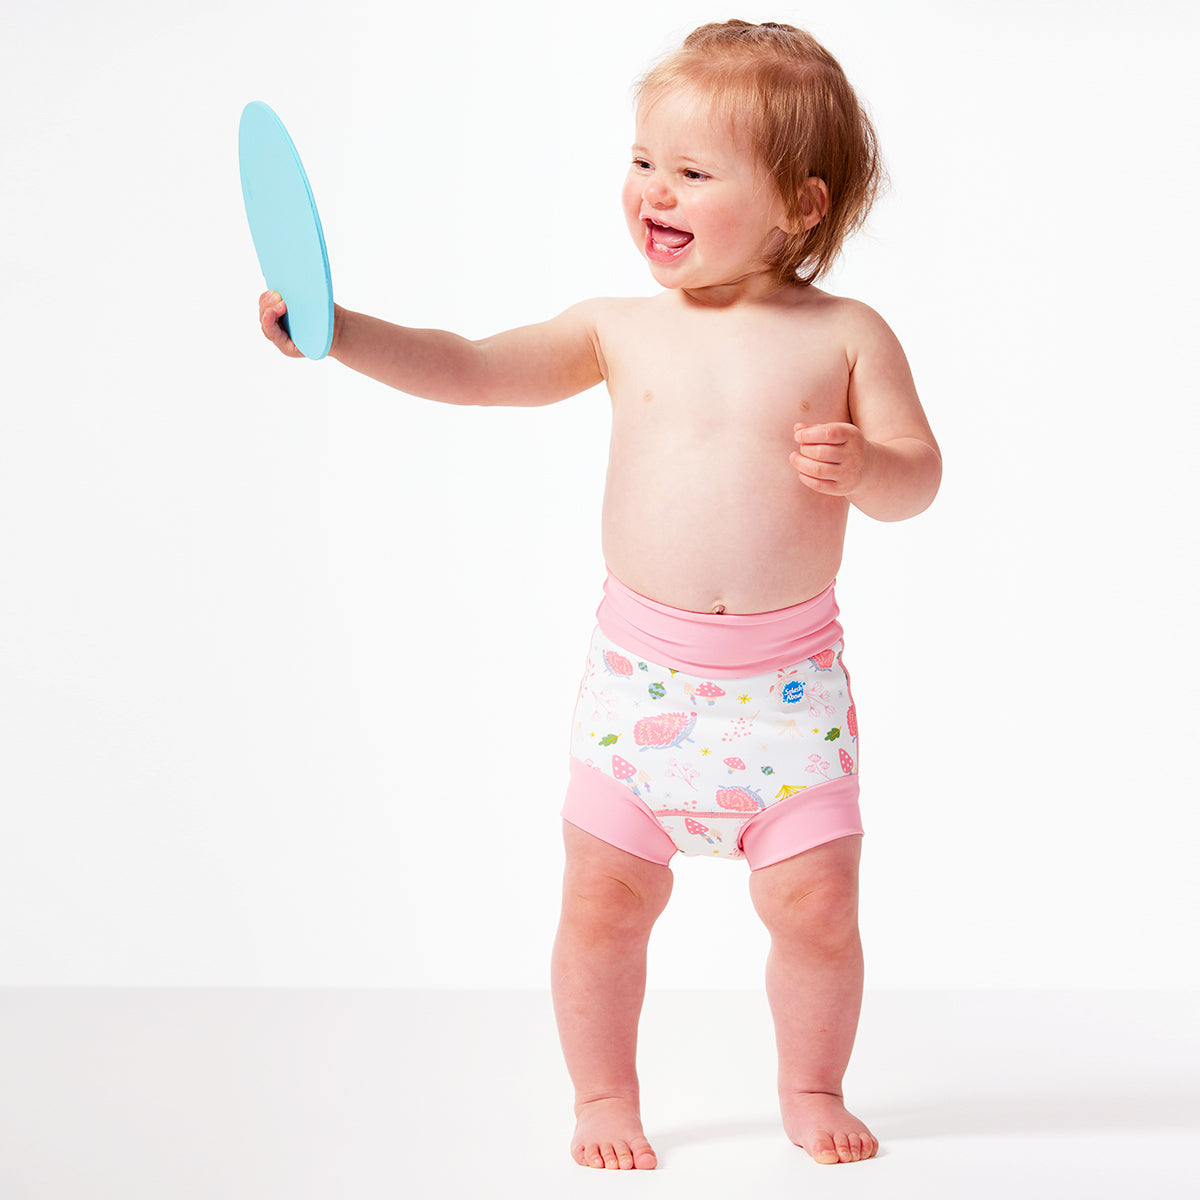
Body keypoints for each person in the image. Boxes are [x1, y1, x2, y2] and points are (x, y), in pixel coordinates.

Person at [258, 19, 940, 1170]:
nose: (653, 190)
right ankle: (603, 1099)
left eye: (693, 171)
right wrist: (341, 334)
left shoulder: (847, 336)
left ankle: (813, 1084)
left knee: (820, 912)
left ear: (802, 204)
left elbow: (919, 479)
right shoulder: (617, 329)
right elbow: (474, 369)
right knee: (602, 907)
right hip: (640, 691)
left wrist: (870, 467)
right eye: (642, 161)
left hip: (787, 698)